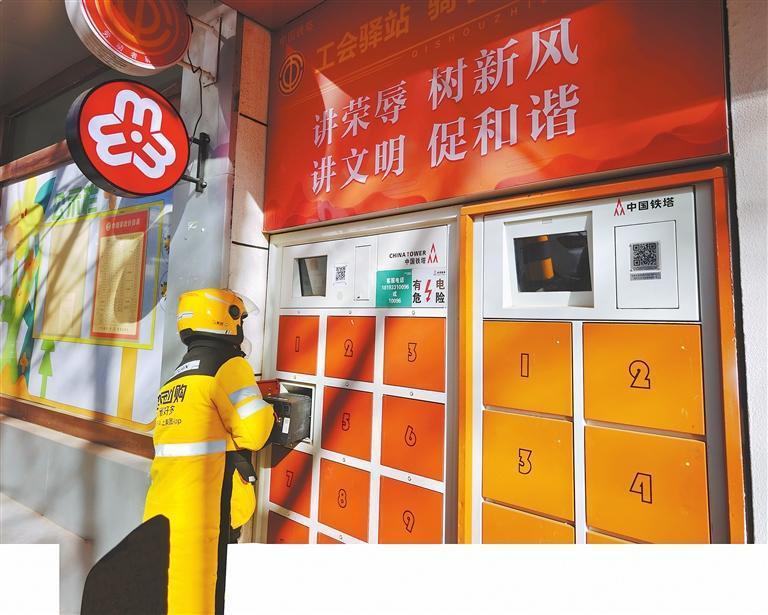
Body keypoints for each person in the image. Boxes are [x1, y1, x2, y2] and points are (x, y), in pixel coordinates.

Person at [81, 288, 275, 615]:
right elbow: (256, 432)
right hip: (206, 511)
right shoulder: (228, 366)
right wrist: (271, 412)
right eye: (241, 320)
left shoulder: (177, 377)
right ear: (226, 321)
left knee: (170, 596)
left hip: (164, 511)